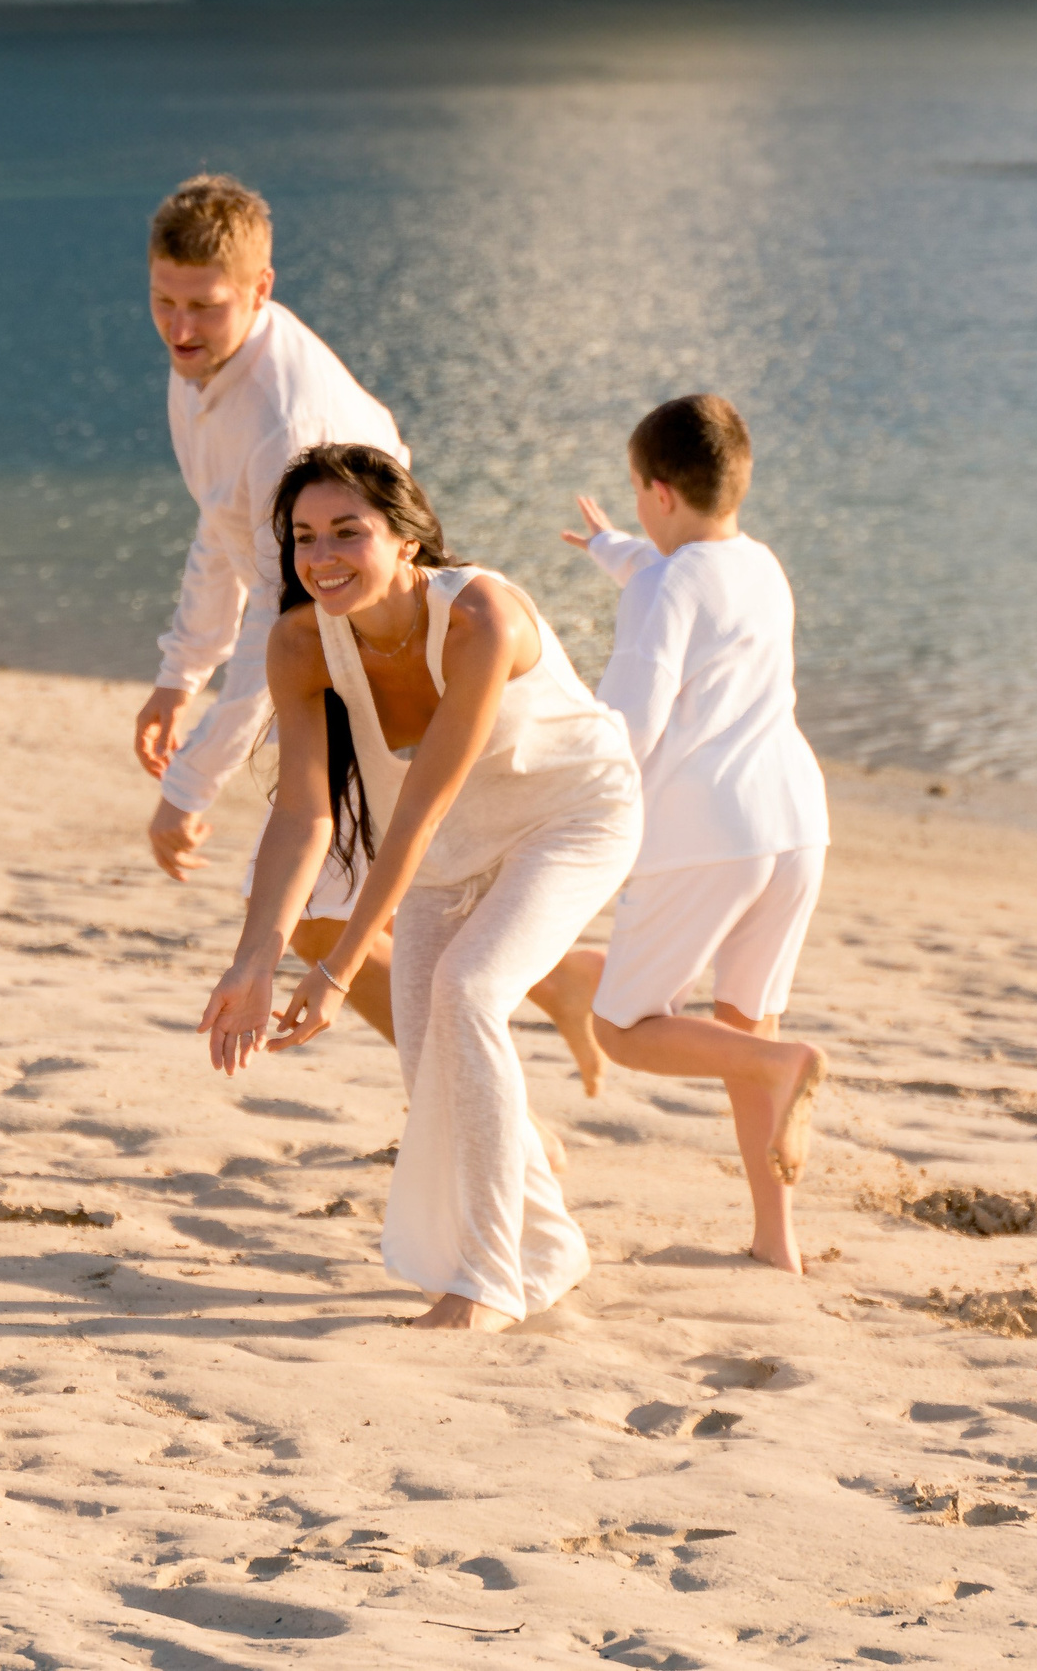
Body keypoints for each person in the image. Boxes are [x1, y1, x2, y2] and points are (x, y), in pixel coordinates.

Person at [133, 172, 608, 1099]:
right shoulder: (203, 366)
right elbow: (221, 530)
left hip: (385, 657)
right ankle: (539, 1010)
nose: (180, 330)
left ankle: (479, 1109)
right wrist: (177, 673)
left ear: (261, 289)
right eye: (163, 303)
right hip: (336, 648)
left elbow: (288, 624)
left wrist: (191, 782)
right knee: (334, 908)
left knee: (321, 911)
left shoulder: (289, 419)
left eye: (204, 307)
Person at [197, 444, 640, 1331]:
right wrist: (256, 960)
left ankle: (486, 1280)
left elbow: (418, 814)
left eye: (347, 532)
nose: (322, 557)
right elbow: (304, 816)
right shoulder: (302, 643)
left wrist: (337, 969)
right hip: (450, 851)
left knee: (466, 993)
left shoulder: (479, 616)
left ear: (406, 540)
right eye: (304, 537)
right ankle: (549, 1247)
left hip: (570, 818)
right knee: (432, 1058)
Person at [558, 394, 831, 1273]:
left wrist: (566, 793)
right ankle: (776, 1242)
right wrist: (610, 547)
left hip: (707, 829)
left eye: (637, 492)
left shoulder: (664, 587)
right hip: (796, 824)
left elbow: (631, 719)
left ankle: (785, 1066)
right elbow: (671, 572)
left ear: (660, 492)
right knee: (747, 1034)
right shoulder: (759, 564)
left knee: (622, 1027)